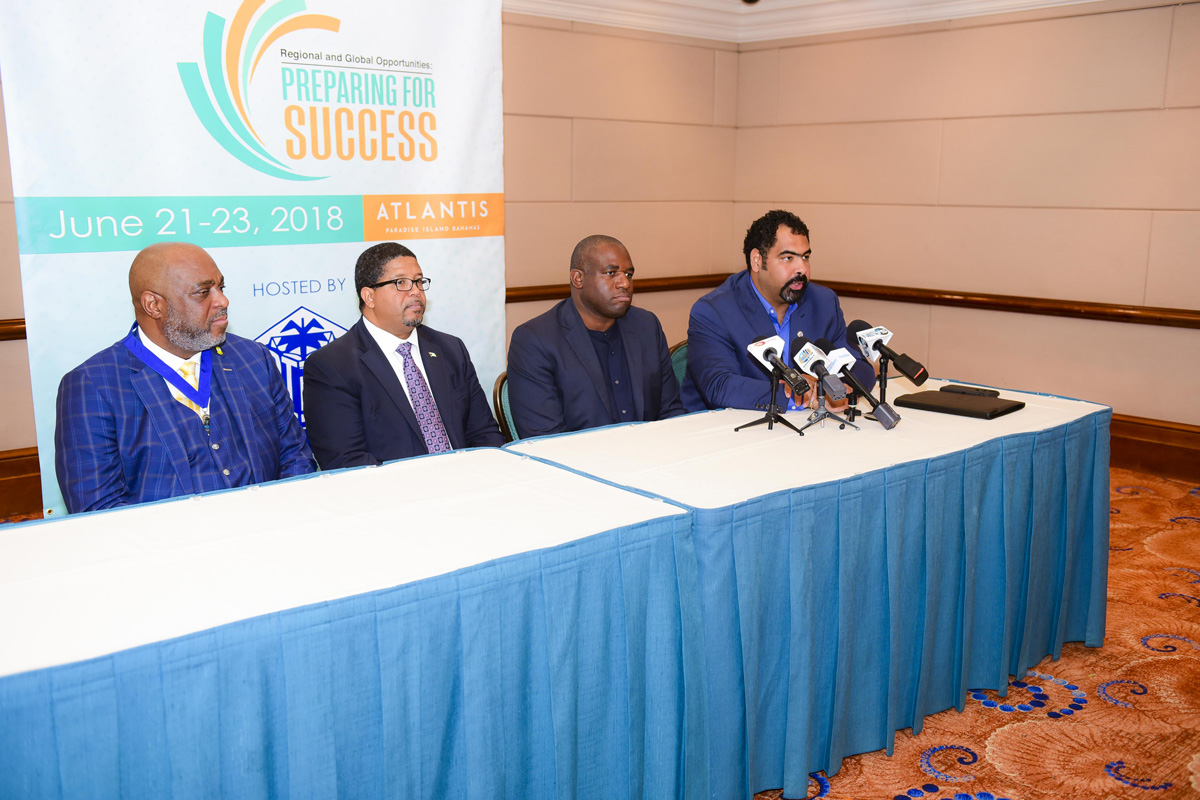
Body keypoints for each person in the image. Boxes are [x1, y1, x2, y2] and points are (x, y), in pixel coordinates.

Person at [54, 242, 316, 513]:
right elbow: (99, 509)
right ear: (153, 305)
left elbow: (295, 456)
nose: (222, 301)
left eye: (221, 287)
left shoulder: (253, 358)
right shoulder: (92, 387)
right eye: (203, 292)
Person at [302, 242, 502, 469]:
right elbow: (347, 461)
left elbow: (484, 433)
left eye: (419, 281)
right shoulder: (332, 366)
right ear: (369, 297)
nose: (416, 291)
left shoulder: (450, 349)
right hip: (392, 489)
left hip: (470, 478)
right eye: (401, 283)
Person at [681, 209, 876, 412]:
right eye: (788, 258)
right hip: (724, 426)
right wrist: (799, 392)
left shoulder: (823, 302)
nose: (802, 269)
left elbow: (860, 367)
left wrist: (837, 389)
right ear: (757, 260)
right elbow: (720, 387)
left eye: (805, 257)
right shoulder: (713, 311)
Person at [506, 235, 685, 438]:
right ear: (578, 278)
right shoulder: (535, 340)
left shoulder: (646, 325)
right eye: (611, 273)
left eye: (629, 274)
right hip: (578, 457)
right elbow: (545, 439)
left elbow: (671, 412)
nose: (624, 283)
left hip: (652, 451)